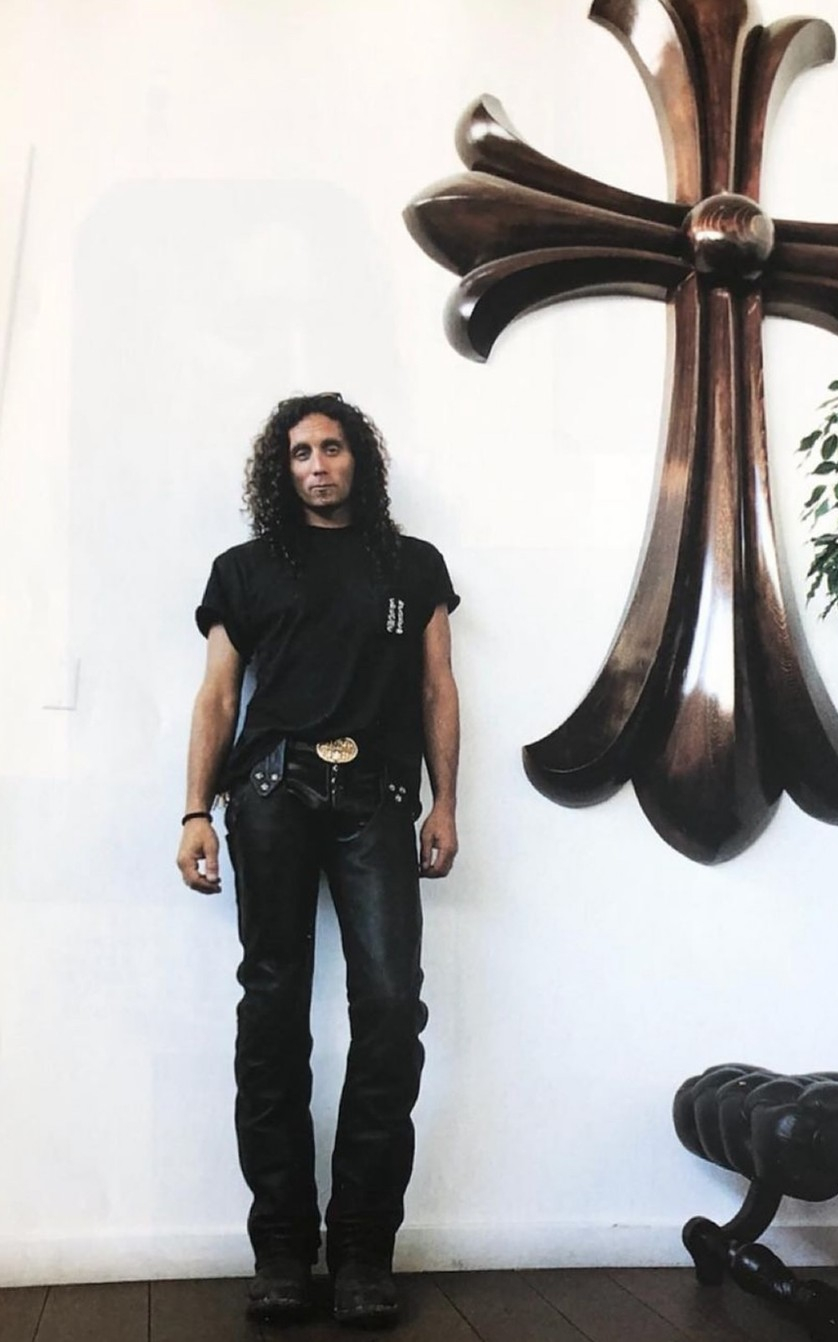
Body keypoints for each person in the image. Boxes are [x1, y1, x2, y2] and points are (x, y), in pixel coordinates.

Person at [176, 392, 460, 1328]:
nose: (318, 465)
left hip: (378, 799)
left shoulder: (412, 565)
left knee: (390, 1009)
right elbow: (218, 697)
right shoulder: (246, 570)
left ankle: (365, 1250)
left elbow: (437, 687)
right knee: (272, 1012)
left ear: (357, 460)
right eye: (300, 453)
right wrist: (195, 810)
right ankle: (283, 1250)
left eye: (332, 448)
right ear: (282, 469)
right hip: (271, 797)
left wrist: (446, 802)